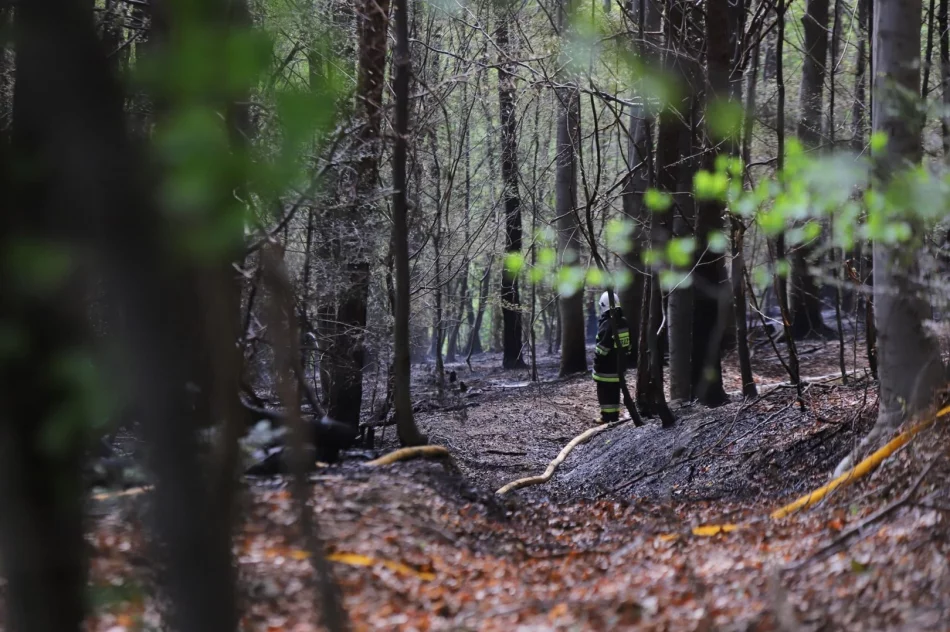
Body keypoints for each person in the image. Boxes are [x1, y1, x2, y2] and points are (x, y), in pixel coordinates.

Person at [593, 291, 632, 423]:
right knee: (615, 392)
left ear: (603, 306)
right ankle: (614, 416)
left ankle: (606, 417)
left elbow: (602, 349)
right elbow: (629, 345)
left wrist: (596, 362)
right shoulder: (624, 322)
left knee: (604, 394)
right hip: (619, 367)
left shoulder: (607, 324)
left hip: (605, 368)